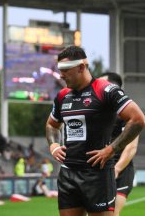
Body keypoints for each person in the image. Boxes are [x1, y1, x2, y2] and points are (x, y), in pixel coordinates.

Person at [45, 46, 145, 216]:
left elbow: (138, 120)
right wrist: (54, 145)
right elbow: (51, 125)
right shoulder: (62, 96)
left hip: (97, 175)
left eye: (65, 70)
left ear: (81, 67)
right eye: (59, 70)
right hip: (68, 173)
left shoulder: (106, 90)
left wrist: (111, 149)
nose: (61, 75)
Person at [99, 72, 139, 216]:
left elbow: (131, 146)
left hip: (120, 171)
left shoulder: (128, 111)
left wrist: (116, 169)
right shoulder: (97, 110)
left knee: (112, 214)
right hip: (99, 168)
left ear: (114, 87)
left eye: (101, 84)